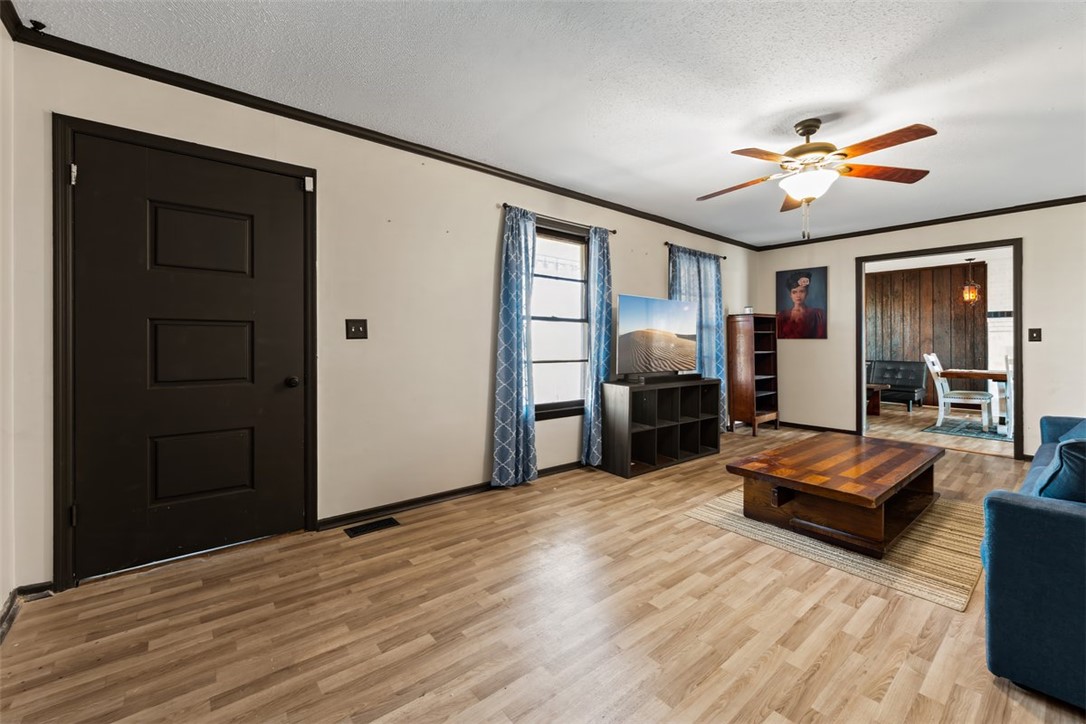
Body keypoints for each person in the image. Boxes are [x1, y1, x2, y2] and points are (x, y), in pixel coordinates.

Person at [776, 270, 827, 339]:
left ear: (807, 293)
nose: (798, 296)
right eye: (794, 292)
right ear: (790, 295)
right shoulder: (781, 316)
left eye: (801, 291)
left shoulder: (818, 315)